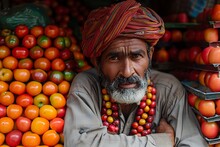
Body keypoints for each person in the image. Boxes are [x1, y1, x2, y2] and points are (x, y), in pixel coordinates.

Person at [64, 0, 208, 146]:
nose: (127, 72)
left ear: (150, 55)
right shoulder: (86, 86)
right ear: (97, 62)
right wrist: (160, 142)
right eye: (114, 58)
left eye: (136, 56)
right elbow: (80, 144)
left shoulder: (169, 89)